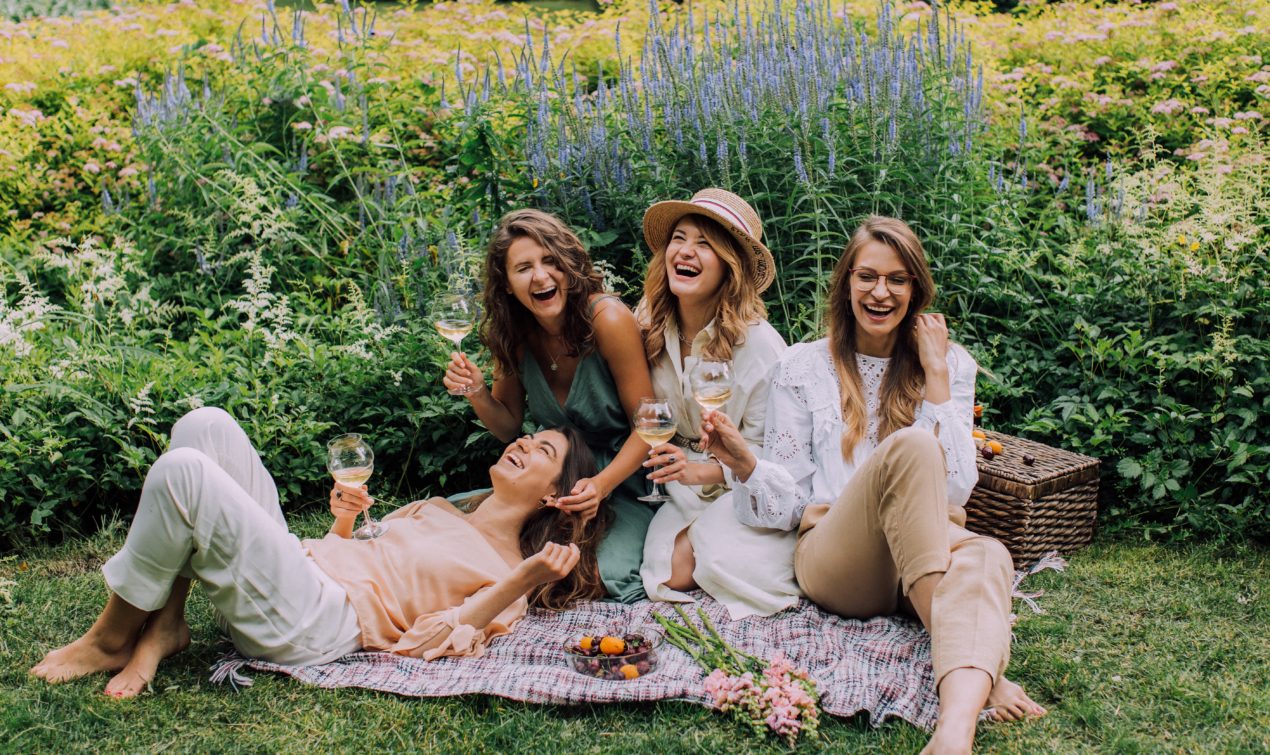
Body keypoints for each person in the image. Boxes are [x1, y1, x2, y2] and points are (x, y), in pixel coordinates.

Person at [702, 217, 1046, 753]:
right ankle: (987, 674)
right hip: (841, 559)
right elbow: (788, 504)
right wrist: (747, 464)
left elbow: (956, 492)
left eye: (898, 279)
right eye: (867, 277)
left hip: (926, 546)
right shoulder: (801, 367)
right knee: (910, 447)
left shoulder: (950, 365)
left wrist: (935, 374)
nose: (880, 292)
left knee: (990, 556)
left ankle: (955, 729)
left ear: (916, 290)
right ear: (845, 284)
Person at [30, 407, 603, 698]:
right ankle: (165, 627)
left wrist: (524, 578)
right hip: (303, 569)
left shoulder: (510, 574)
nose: (523, 443)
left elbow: (424, 643)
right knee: (206, 427)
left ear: (554, 493)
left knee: (185, 473)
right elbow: (352, 553)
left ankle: (109, 639)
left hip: (317, 622)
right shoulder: (437, 509)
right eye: (526, 436)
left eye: (543, 448)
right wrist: (345, 521)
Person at [443, 209, 656, 603]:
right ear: (507, 284)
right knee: (457, 527)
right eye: (523, 268)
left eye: (551, 262)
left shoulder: (607, 320)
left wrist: (601, 485)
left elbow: (649, 427)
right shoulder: (513, 334)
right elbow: (508, 426)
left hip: (620, 480)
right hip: (550, 480)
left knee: (601, 574)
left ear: (569, 267)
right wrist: (476, 391)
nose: (541, 277)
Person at [634, 188, 800, 619]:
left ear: (730, 267)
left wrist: (702, 470)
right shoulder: (650, 320)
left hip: (740, 487)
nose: (686, 252)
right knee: (666, 573)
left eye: (705, 244)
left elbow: (777, 457)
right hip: (678, 487)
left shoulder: (760, 345)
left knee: (716, 561)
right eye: (680, 238)